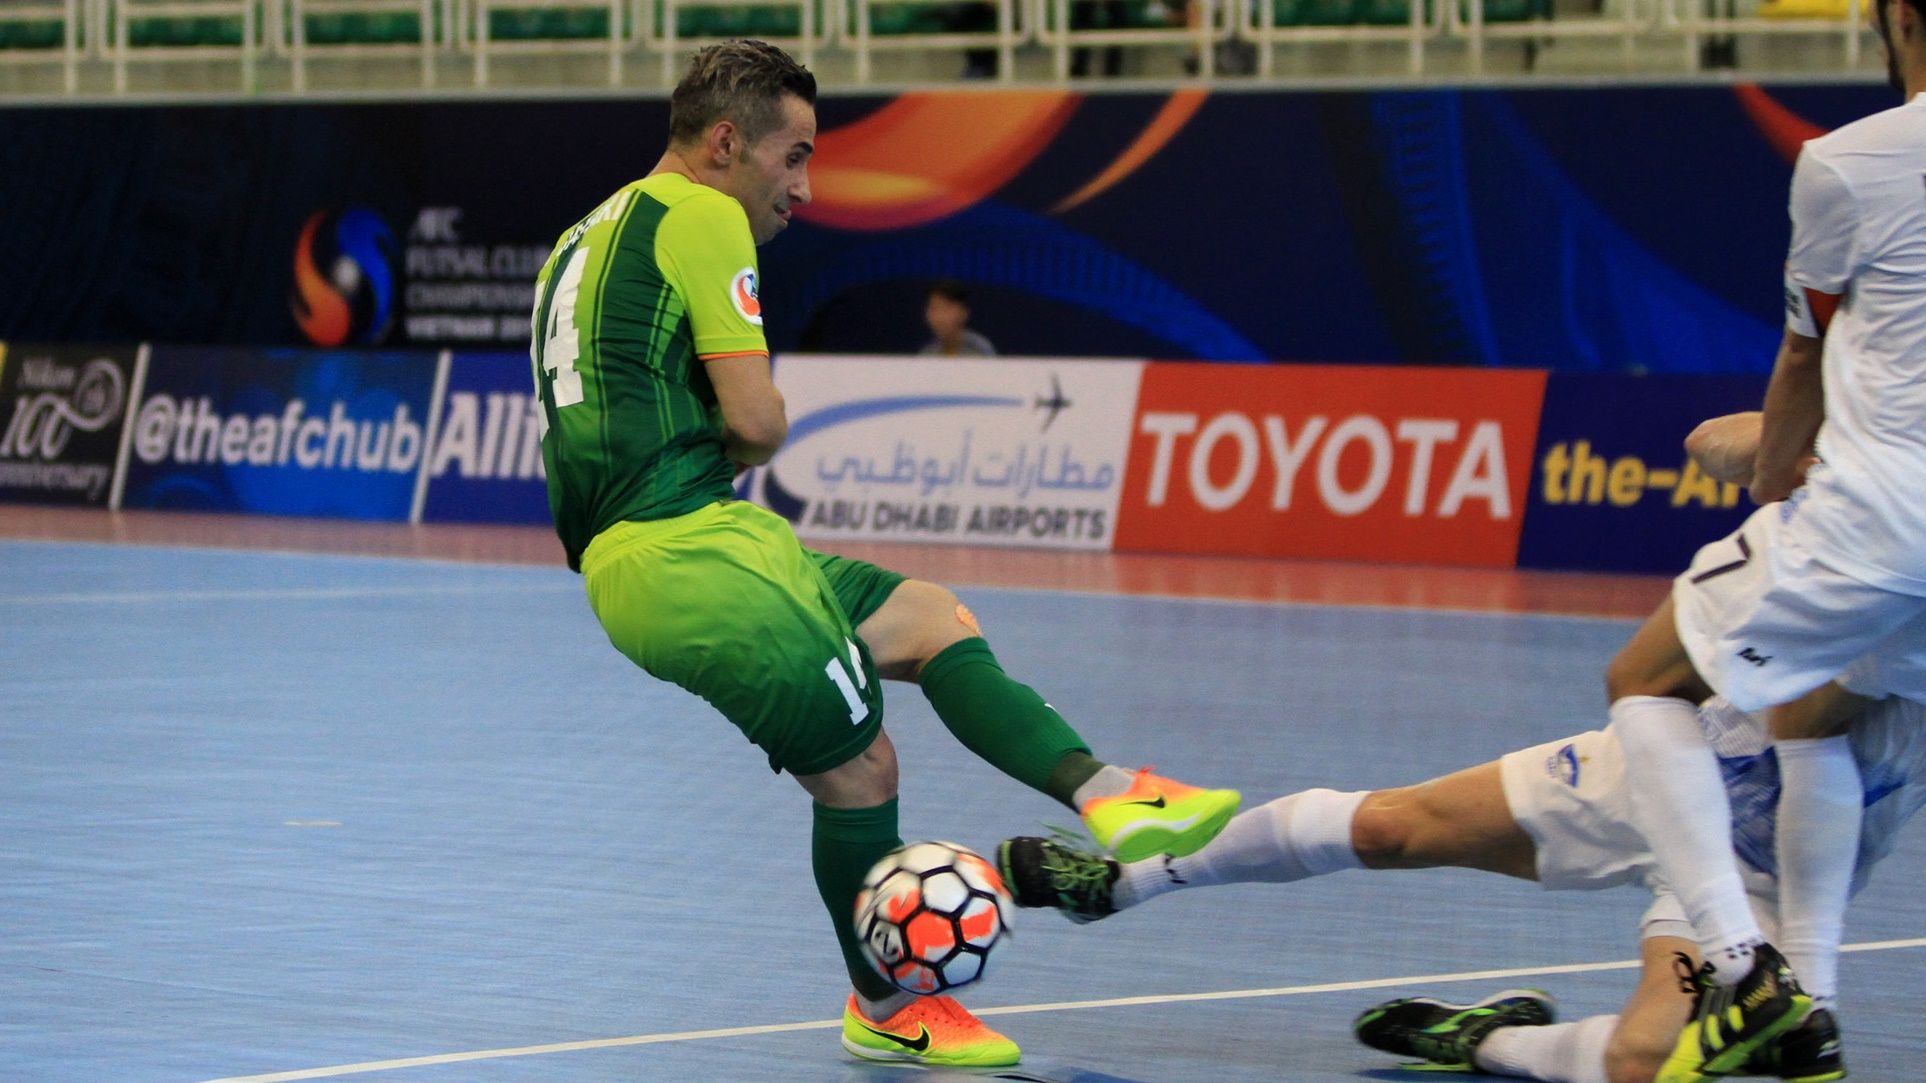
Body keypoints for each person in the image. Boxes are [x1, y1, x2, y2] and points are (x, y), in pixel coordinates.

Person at [526, 40, 1239, 1070]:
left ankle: (1112, 791)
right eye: (796, 156)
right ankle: (888, 1002)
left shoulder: (579, 238)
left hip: (673, 544)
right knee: (861, 769)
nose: (804, 188)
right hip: (683, 550)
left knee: (927, 616)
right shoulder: (703, 214)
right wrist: (716, 443)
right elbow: (761, 423)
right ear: (728, 143)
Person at [996, 686, 1926, 1082]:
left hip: (1760, 868)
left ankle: (1488, 1038)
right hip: (1655, 777)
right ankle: (1122, 880)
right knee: (1392, 825)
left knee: (1642, 1064)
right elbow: (1726, 439)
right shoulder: (1872, 518)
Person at [1601, 16, 1926, 1076]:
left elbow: (1803, 354)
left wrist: (1777, 473)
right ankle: (1813, 1007)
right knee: (1810, 708)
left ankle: (1744, 970)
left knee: (1644, 678)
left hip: (1879, 514)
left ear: (1902, 23)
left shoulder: (1847, 163)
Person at [918, 279, 997, 357]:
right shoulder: (927, 354)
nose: (940, 316)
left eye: (947, 308)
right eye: (934, 308)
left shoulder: (980, 350)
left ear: (963, 313)